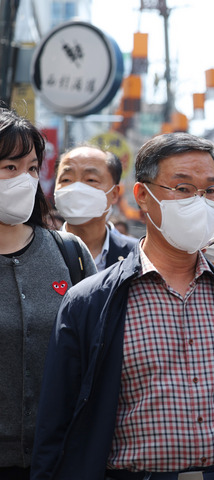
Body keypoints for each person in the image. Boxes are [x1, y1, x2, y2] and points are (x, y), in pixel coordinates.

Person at [31, 133, 214, 480]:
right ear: (143, 197)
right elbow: (57, 424)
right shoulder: (90, 302)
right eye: (182, 188)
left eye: (210, 190)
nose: (200, 201)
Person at [0, 108, 96, 480]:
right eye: (10, 167)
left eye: (32, 168)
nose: (25, 180)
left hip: (58, 461)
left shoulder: (69, 253)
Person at [54, 145, 138, 270]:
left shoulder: (137, 255)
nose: (77, 188)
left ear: (114, 194)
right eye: (66, 179)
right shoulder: (35, 252)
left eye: (91, 180)